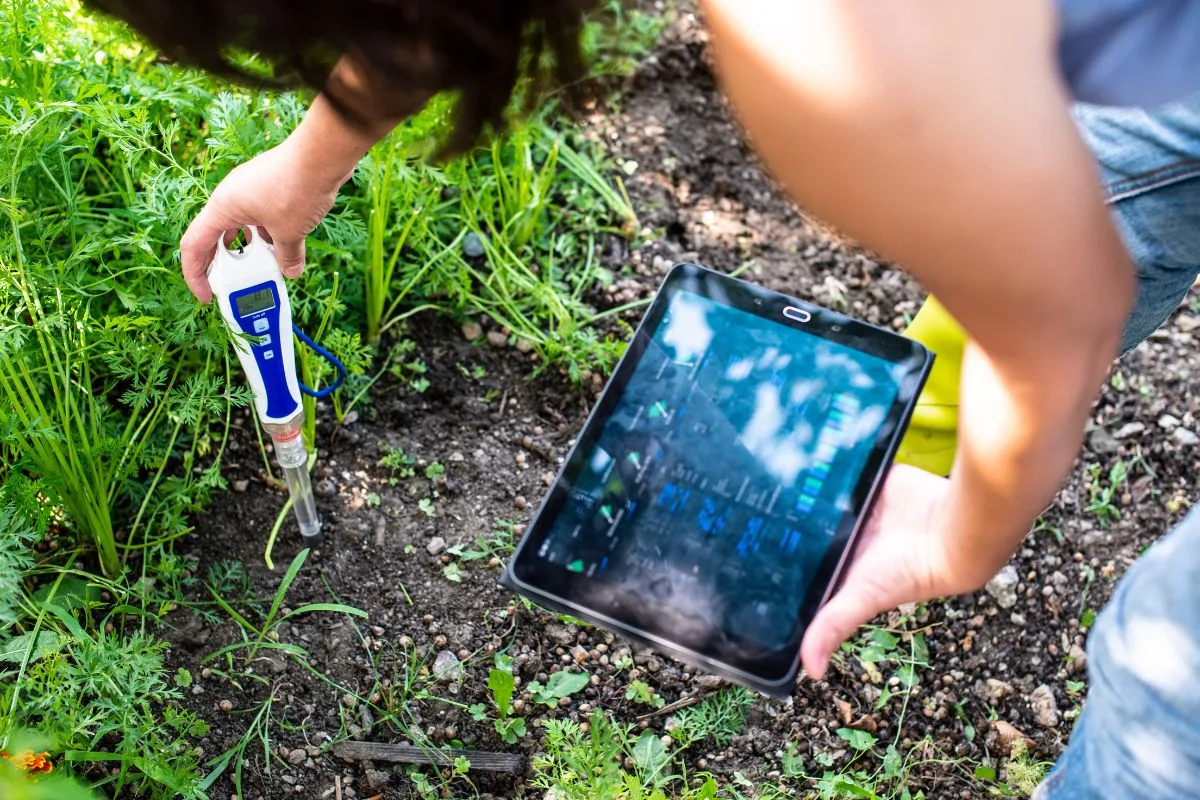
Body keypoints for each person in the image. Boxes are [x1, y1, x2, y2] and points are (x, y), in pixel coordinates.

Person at [84, 1, 1200, 796]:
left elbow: (1063, 306)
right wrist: (311, 161)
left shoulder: (826, 52)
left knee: (1170, 695)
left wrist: (962, 535)